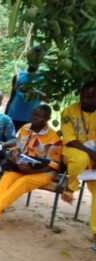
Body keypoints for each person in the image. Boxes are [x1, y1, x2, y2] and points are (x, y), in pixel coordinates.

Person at [0, 104, 62, 228]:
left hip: (43, 172)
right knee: (6, 178)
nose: (35, 118)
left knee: (23, 181)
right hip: (23, 166)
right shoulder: (25, 128)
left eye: (40, 116)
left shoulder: (53, 138)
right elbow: (17, 148)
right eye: (34, 114)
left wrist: (30, 172)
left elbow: (54, 164)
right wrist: (16, 159)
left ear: (47, 119)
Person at [60, 81, 96, 242]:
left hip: (93, 161)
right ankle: (70, 188)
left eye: (90, 97)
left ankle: (95, 231)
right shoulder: (69, 111)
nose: (85, 101)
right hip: (73, 152)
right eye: (83, 97)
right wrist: (91, 153)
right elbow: (70, 139)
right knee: (81, 158)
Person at [4, 48, 43, 131]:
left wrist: (33, 91)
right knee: (10, 141)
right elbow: (12, 98)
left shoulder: (43, 77)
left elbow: (48, 99)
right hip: (14, 116)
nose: (33, 64)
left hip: (33, 118)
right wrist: (5, 116)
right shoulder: (18, 76)